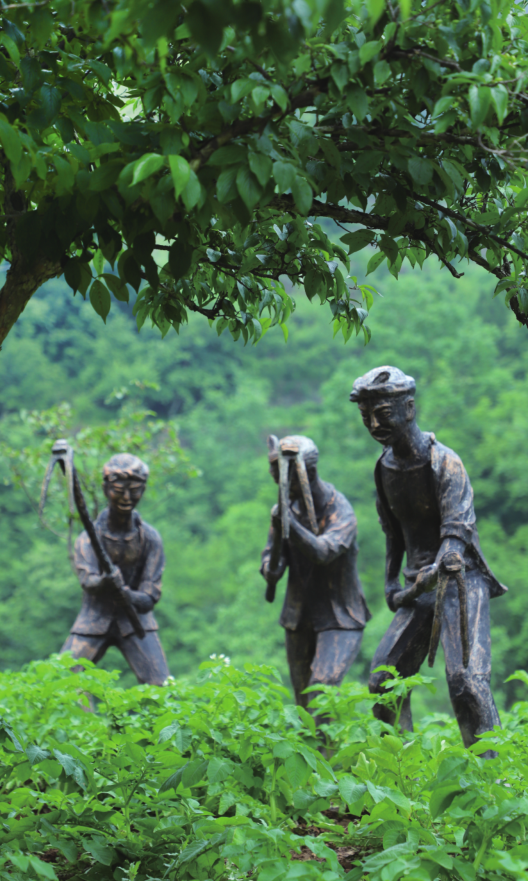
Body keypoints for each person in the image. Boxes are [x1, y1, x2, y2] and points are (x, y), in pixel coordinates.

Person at [350, 365, 506, 752]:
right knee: (384, 680)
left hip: (460, 580)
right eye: (366, 416)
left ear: (409, 408)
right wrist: (392, 582)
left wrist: (441, 565)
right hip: (419, 588)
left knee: (467, 682)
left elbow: (456, 531)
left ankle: (494, 773)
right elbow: (394, 532)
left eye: (382, 413)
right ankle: (401, 767)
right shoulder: (384, 468)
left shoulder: (445, 462)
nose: (374, 424)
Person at [260, 434, 371, 715]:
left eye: (284, 479)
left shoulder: (339, 510)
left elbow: (324, 552)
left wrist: (289, 524)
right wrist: (269, 568)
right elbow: (272, 557)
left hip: (339, 616)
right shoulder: (286, 509)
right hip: (298, 617)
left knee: (320, 692)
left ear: (307, 473)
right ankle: (313, 744)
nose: (280, 486)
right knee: (303, 705)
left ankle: (330, 744)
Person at [61, 453, 170, 685]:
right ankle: (85, 711)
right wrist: (105, 582)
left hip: (136, 623)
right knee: (62, 678)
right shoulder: (88, 538)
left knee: (161, 686)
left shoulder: (150, 539)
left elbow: (150, 597)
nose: (127, 498)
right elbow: (88, 581)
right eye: (119, 490)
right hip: (93, 620)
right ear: (106, 489)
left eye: (135, 490)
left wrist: (128, 595)